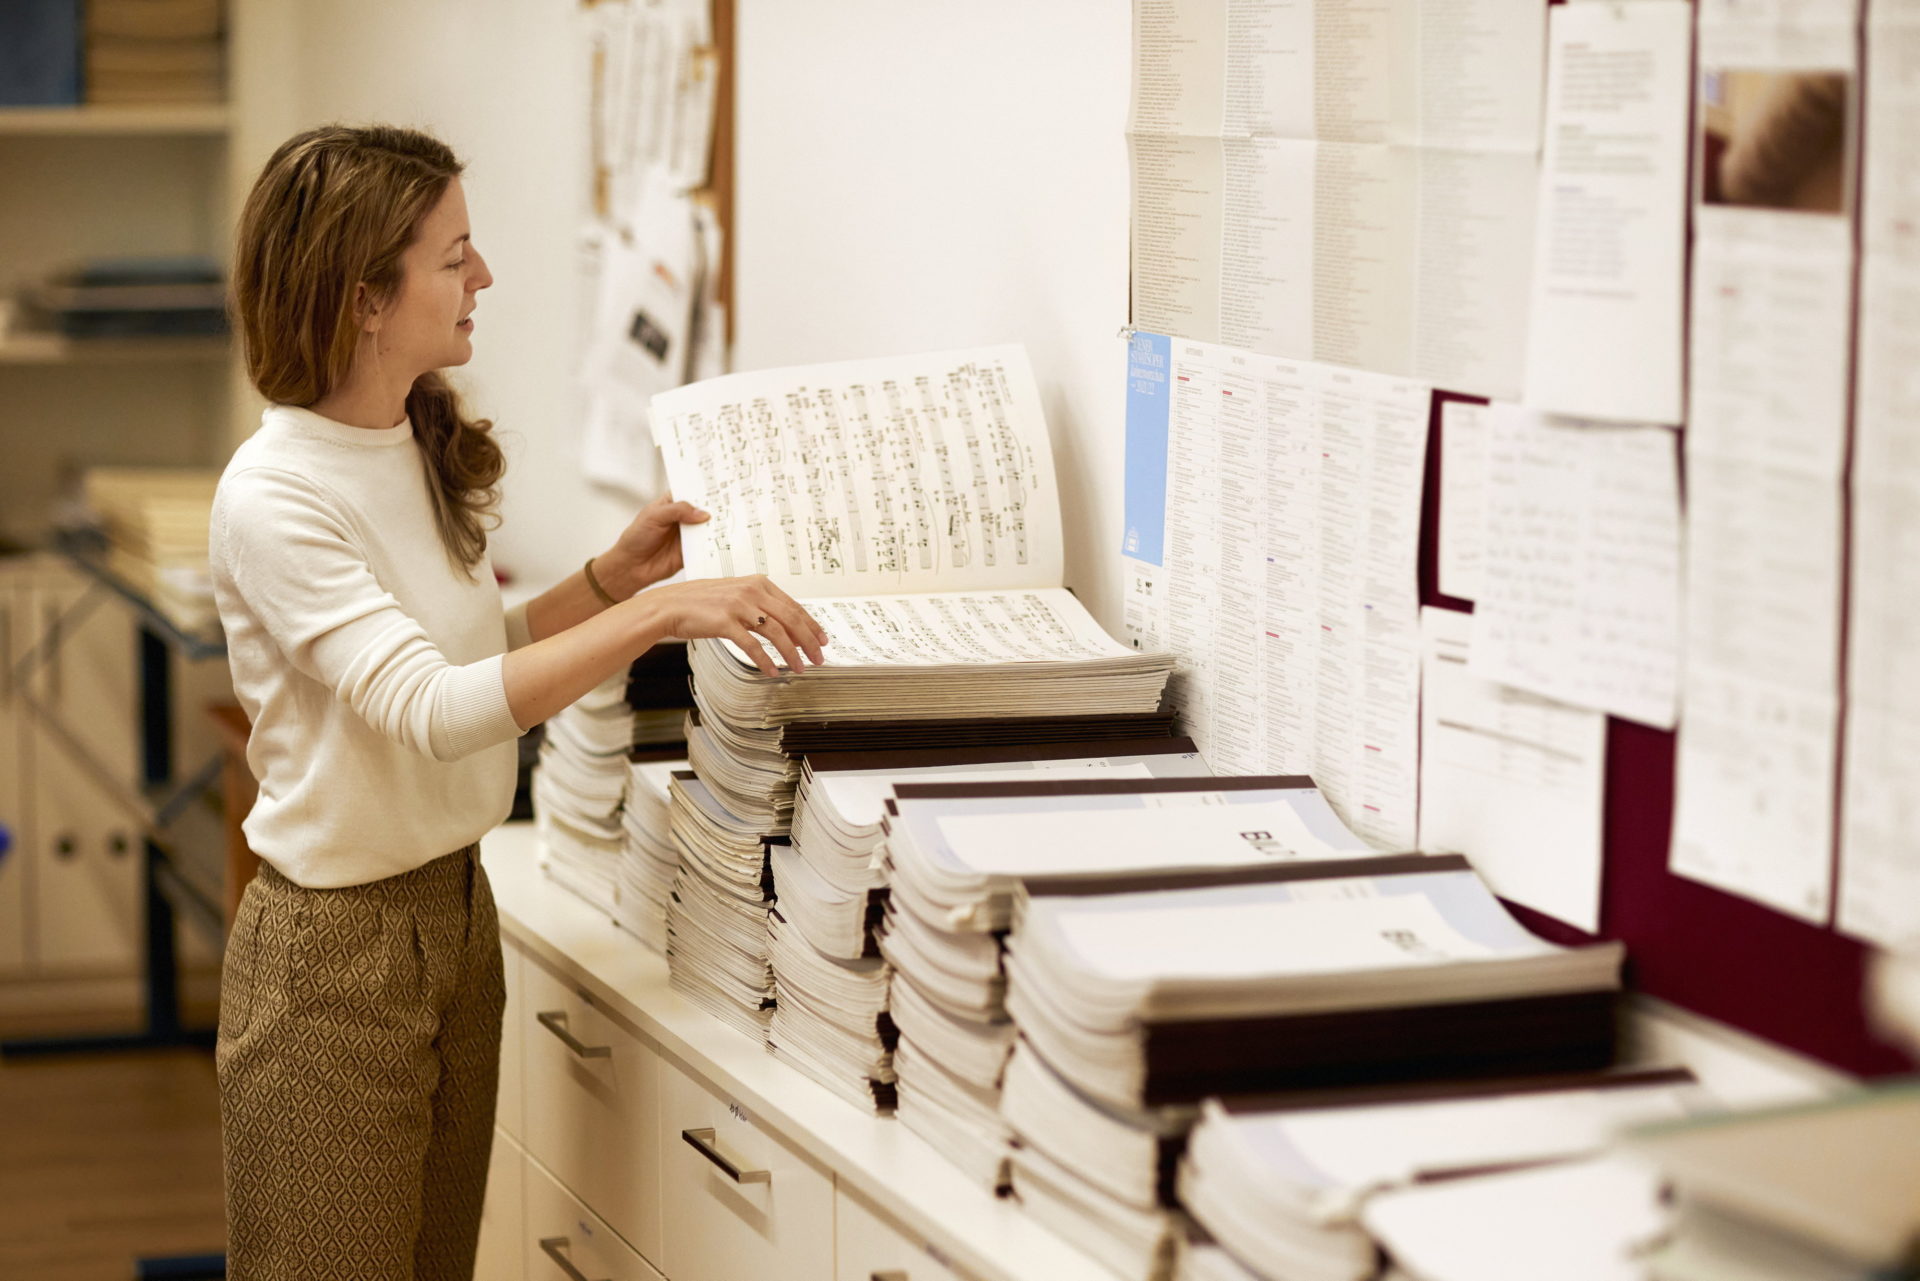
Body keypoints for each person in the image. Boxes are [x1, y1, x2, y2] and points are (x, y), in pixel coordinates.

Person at [211, 123, 825, 1281]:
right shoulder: (274, 495)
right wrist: (653, 620)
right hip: (334, 961)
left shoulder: (407, 441)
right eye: (454, 257)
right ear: (364, 299)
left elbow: (465, 646)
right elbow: (432, 708)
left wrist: (607, 582)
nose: (482, 278)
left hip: (456, 918)